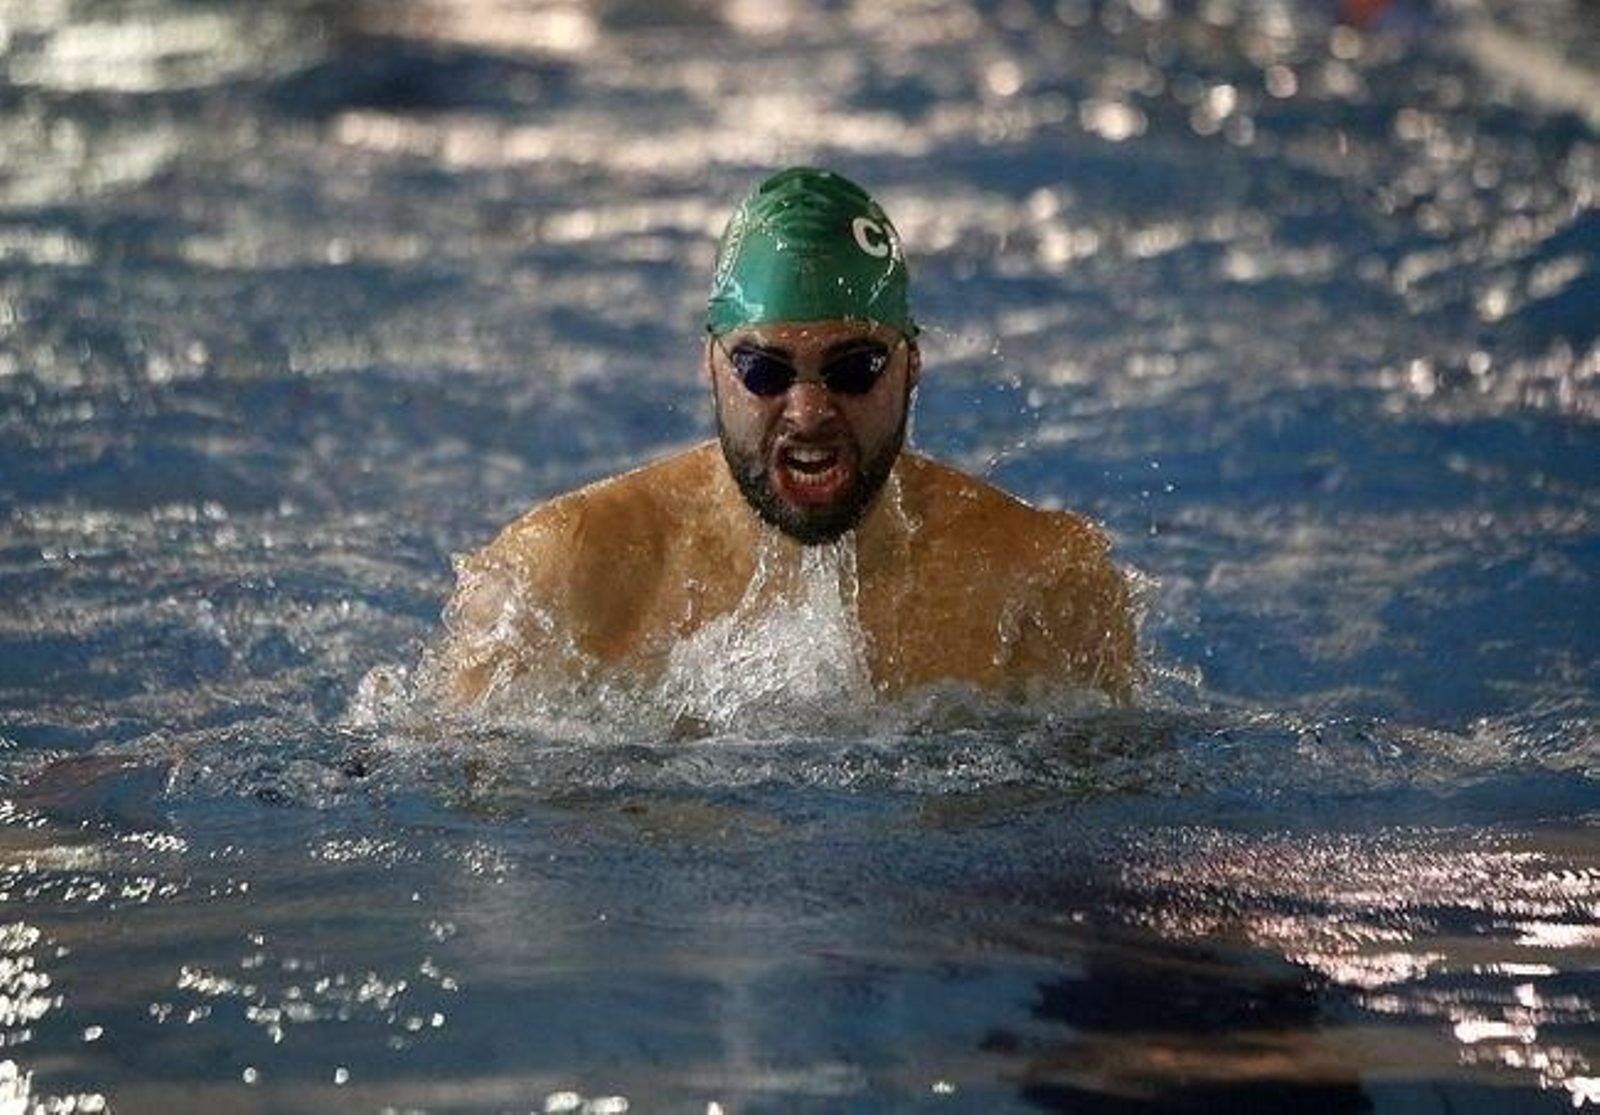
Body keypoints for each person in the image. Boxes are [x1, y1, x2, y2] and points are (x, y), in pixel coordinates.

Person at [427, 167, 1138, 710]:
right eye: (764, 369)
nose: (808, 411)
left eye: (853, 367)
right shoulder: (558, 576)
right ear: (711, 364)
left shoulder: (1041, 583)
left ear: (913, 365)